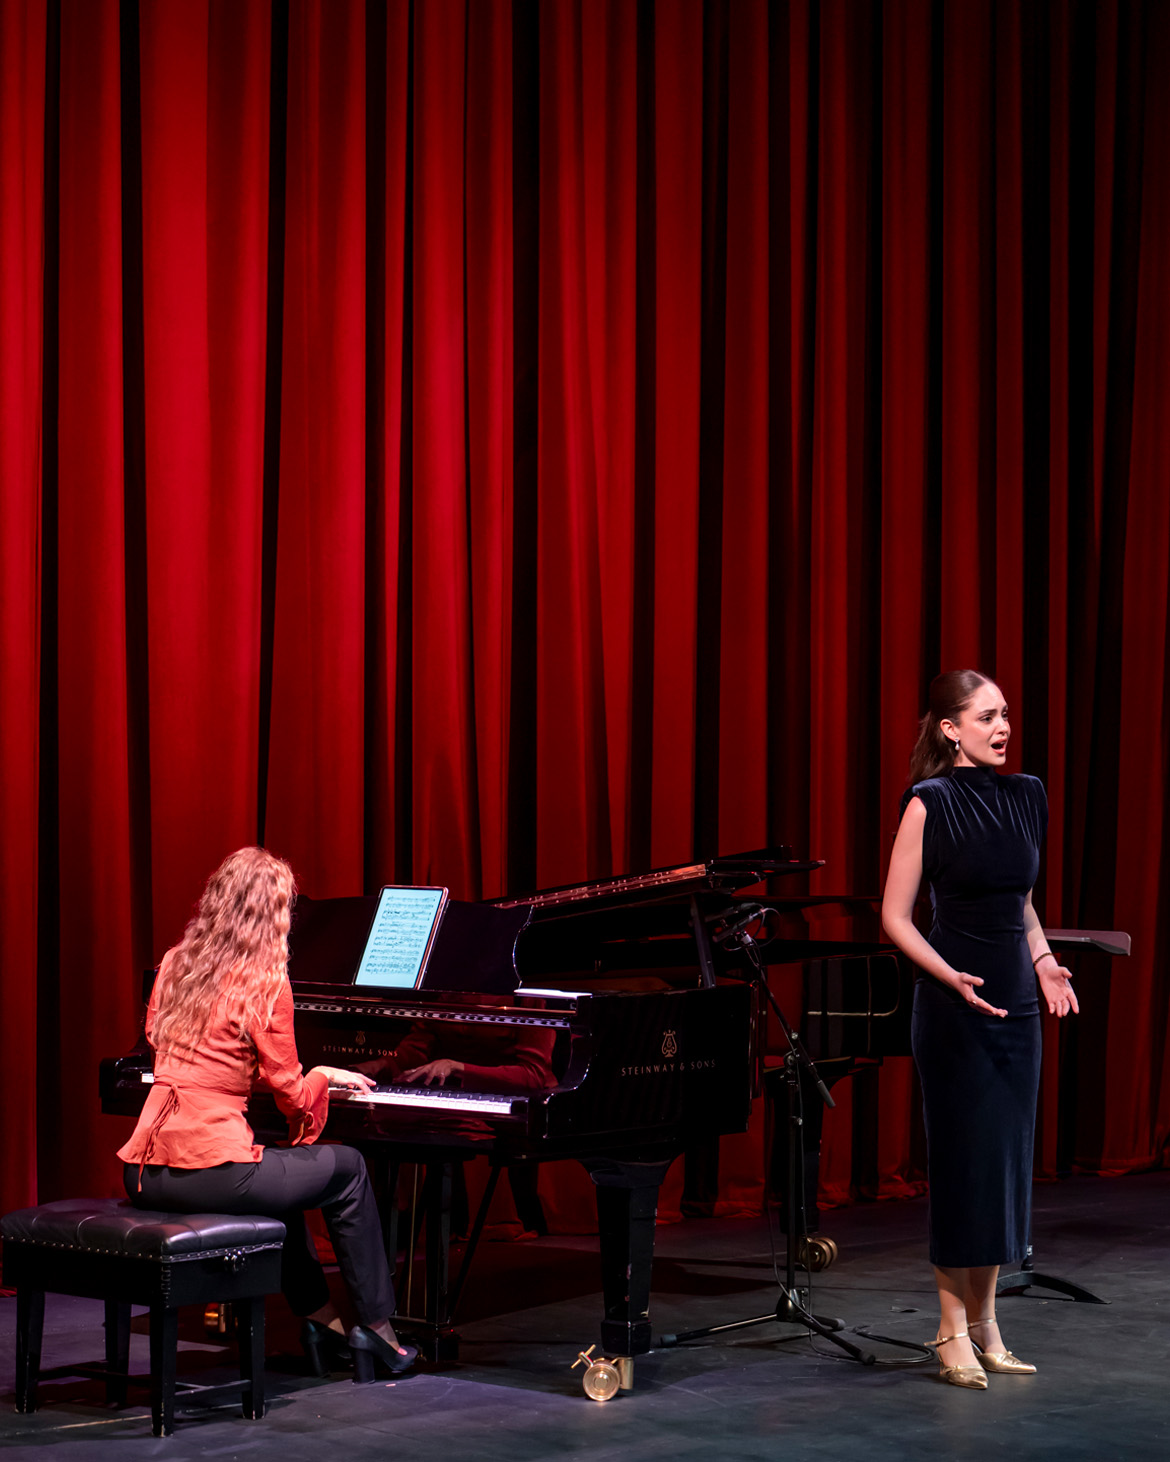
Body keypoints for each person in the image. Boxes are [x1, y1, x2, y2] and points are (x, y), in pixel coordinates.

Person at [117, 846, 415, 1382]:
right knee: (346, 1169)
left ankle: (322, 1321)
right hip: (209, 1172)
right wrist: (324, 1074)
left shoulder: (177, 964)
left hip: (143, 1170)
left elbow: (173, 1047)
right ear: (274, 914)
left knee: (282, 1179)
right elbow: (293, 1094)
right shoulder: (265, 981)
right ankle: (378, 1329)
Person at [881, 671, 1078, 1389]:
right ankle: (947, 1329)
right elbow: (895, 917)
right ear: (949, 729)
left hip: (1018, 1007)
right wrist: (949, 975)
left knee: (1003, 1168)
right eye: (987, 716)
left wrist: (1046, 959)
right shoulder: (930, 804)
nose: (1003, 727)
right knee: (965, 1167)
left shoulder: (1029, 797)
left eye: (1006, 716)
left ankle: (989, 1324)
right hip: (954, 1009)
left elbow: (1019, 900)